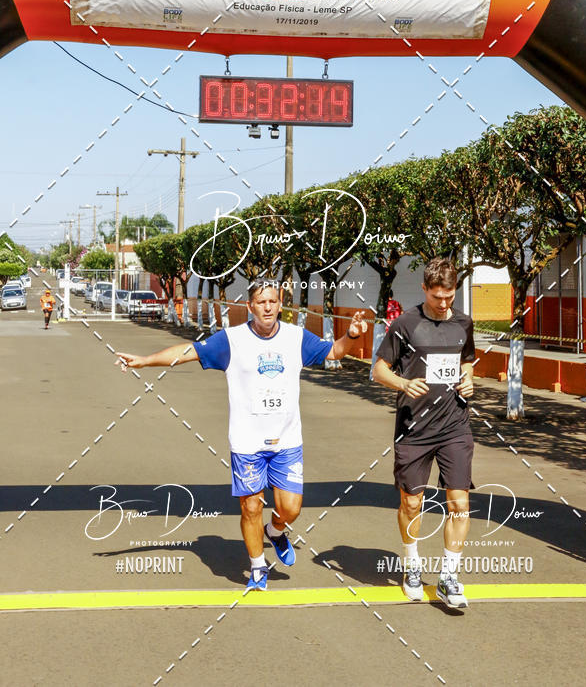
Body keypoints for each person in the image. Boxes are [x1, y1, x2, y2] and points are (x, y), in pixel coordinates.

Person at [116, 279, 367, 591]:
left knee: (290, 508)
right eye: (261, 302)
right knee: (251, 507)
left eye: (273, 301)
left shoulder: (296, 337)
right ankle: (258, 566)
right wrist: (144, 361)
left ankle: (275, 532)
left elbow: (335, 352)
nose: (267, 307)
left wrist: (351, 335)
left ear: (280, 305)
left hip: (287, 441)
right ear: (250, 306)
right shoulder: (231, 340)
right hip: (247, 443)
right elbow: (188, 351)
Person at [372, 258, 475, 609]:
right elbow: (378, 370)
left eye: (449, 296)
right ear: (424, 289)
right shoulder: (406, 324)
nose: (443, 303)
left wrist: (469, 380)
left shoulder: (463, 323)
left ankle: (449, 577)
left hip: (455, 425)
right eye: (436, 297)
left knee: (459, 503)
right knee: (412, 502)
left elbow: (467, 360)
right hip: (414, 428)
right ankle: (412, 564)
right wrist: (403, 383)